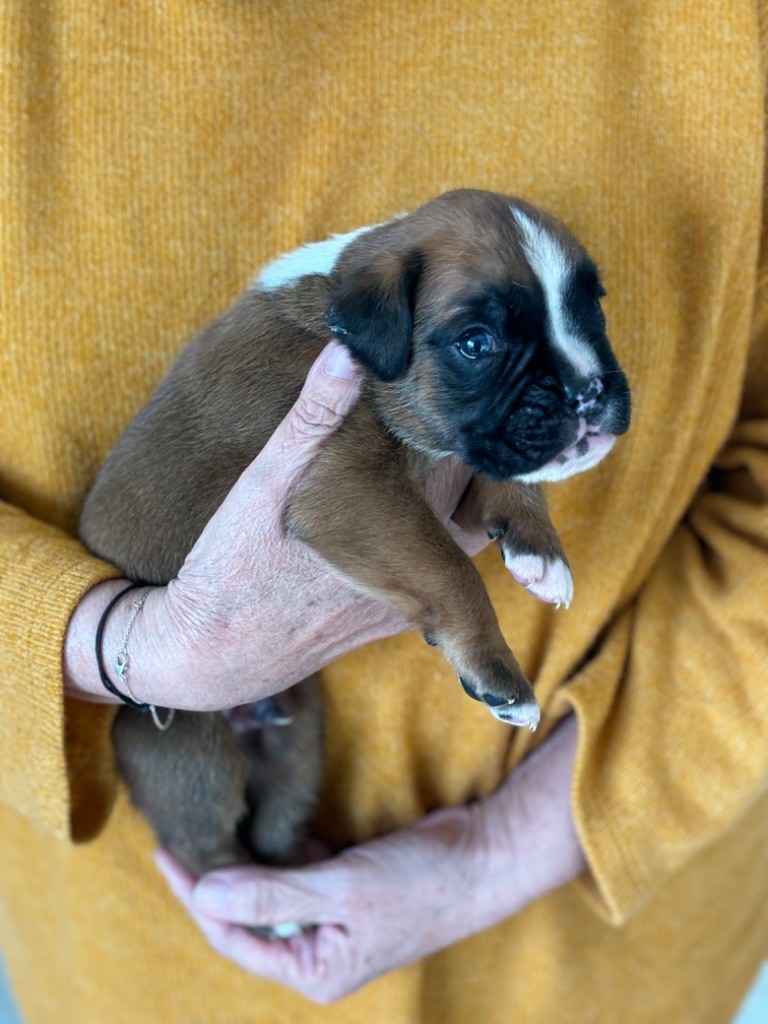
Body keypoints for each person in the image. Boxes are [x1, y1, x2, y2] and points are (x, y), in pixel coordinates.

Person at [1, 2, 766, 1021]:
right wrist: (119, 645)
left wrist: (509, 848)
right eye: (489, 342)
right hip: (162, 953)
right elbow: (346, 483)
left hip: (595, 950)